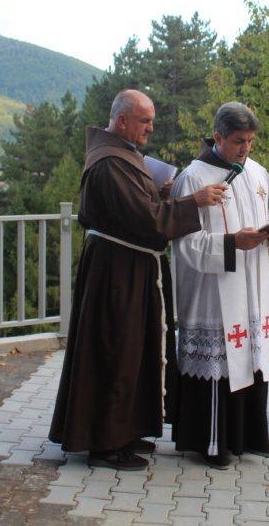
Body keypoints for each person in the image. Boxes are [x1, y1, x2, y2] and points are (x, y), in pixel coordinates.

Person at [49, 89, 224, 471]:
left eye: (151, 121)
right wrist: (193, 202)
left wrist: (157, 191)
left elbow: (140, 204)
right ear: (122, 119)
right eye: (144, 121)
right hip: (116, 271)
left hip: (129, 267)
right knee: (116, 352)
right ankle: (104, 443)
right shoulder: (111, 163)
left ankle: (126, 430)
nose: (150, 128)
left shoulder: (122, 154)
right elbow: (146, 219)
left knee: (135, 352)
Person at [171, 102, 269, 469]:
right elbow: (185, 242)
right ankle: (213, 441)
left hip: (254, 283)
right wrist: (233, 242)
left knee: (253, 355)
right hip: (214, 290)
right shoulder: (194, 176)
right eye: (238, 141)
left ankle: (251, 435)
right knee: (222, 360)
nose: (245, 149)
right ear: (218, 137)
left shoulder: (258, 172)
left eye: (250, 141)